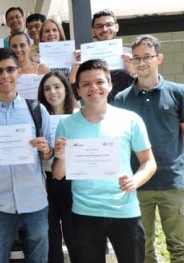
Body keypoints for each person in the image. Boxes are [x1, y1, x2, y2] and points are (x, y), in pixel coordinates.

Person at [52, 59, 157, 263]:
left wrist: (135, 181)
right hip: (84, 212)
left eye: (99, 82)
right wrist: (63, 156)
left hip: (124, 211)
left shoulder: (130, 119)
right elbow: (58, 173)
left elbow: (149, 162)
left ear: (110, 85)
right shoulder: (66, 125)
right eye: (86, 84)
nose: (94, 88)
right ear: (78, 90)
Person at [114, 35, 184, 263]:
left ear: (158, 58)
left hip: (172, 182)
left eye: (147, 57)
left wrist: (172, 159)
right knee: (143, 249)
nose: (141, 63)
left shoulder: (178, 92)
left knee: (180, 249)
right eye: (136, 58)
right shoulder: (121, 98)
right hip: (137, 184)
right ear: (130, 61)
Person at [0, 48, 53, 263]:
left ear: (18, 73)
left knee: (39, 260)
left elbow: (49, 157)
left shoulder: (37, 110)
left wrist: (46, 150)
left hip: (34, 201)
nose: (5, 76)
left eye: (10, 69)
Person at [37, 72, 78, 263]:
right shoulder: (38, 117)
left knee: (73, 233)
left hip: (72, 181)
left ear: (65, 88)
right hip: (45, 179)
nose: (52, 92)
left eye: (57, 86)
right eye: (47, 88)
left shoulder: (79, 115)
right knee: (51, 235)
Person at [39, 17, 77, 82]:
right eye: (47, 31)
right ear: (42, 36)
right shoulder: (36, 57)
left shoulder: (71, 53)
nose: (51, 33)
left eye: (54, 30)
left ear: (60, 33)